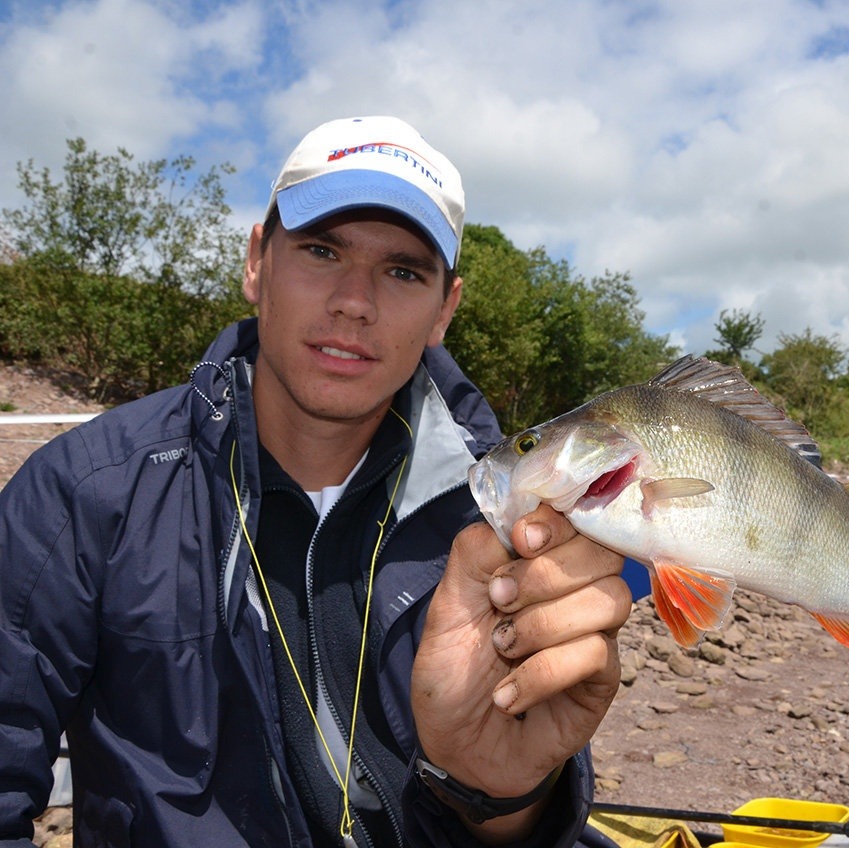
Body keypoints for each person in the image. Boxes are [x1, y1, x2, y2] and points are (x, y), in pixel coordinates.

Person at [0, 116, 631, 847]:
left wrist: (500, 795)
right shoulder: (82, 494)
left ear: (444, 311)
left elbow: (516, 821)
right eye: (322, 250)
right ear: (256, 263)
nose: (354, 300)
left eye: (403, 271)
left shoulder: (511, 517)